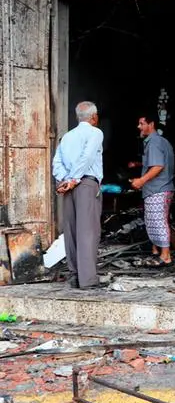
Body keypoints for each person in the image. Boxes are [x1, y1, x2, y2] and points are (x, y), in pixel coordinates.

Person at [52, 101, 104, 289]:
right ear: (94, 117)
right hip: (85, 184)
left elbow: (57, 161)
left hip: (68, 186)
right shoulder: (96, 133)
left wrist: (65, 180)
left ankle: (75, 276)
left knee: (71, 231)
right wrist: (74, 179)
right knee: (88, 231)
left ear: (77, 117)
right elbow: (87, 156)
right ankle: (88, 280)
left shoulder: (67, 136)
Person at [129, 113, 175, 266]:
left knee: (158, 221)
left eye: (142, 123)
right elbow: (155, 162)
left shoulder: (154, 142)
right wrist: (138, 165)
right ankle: (156, 252)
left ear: (151, 124)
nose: (139, 127)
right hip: (160, 188)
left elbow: (158, 166)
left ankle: (165, 256)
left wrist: (141, 180)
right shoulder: (160, 141)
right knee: (153, 221)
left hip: (158, 189)